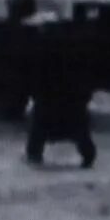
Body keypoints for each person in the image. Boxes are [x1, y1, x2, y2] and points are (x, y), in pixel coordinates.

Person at [26, 36, 96, 169]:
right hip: (70, 107)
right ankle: (87, 160)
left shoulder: (42, 61)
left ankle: (34, 157)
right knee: (81, 136)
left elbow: (34, 83)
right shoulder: (76, 59)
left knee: (37, 137)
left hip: (50, 107)